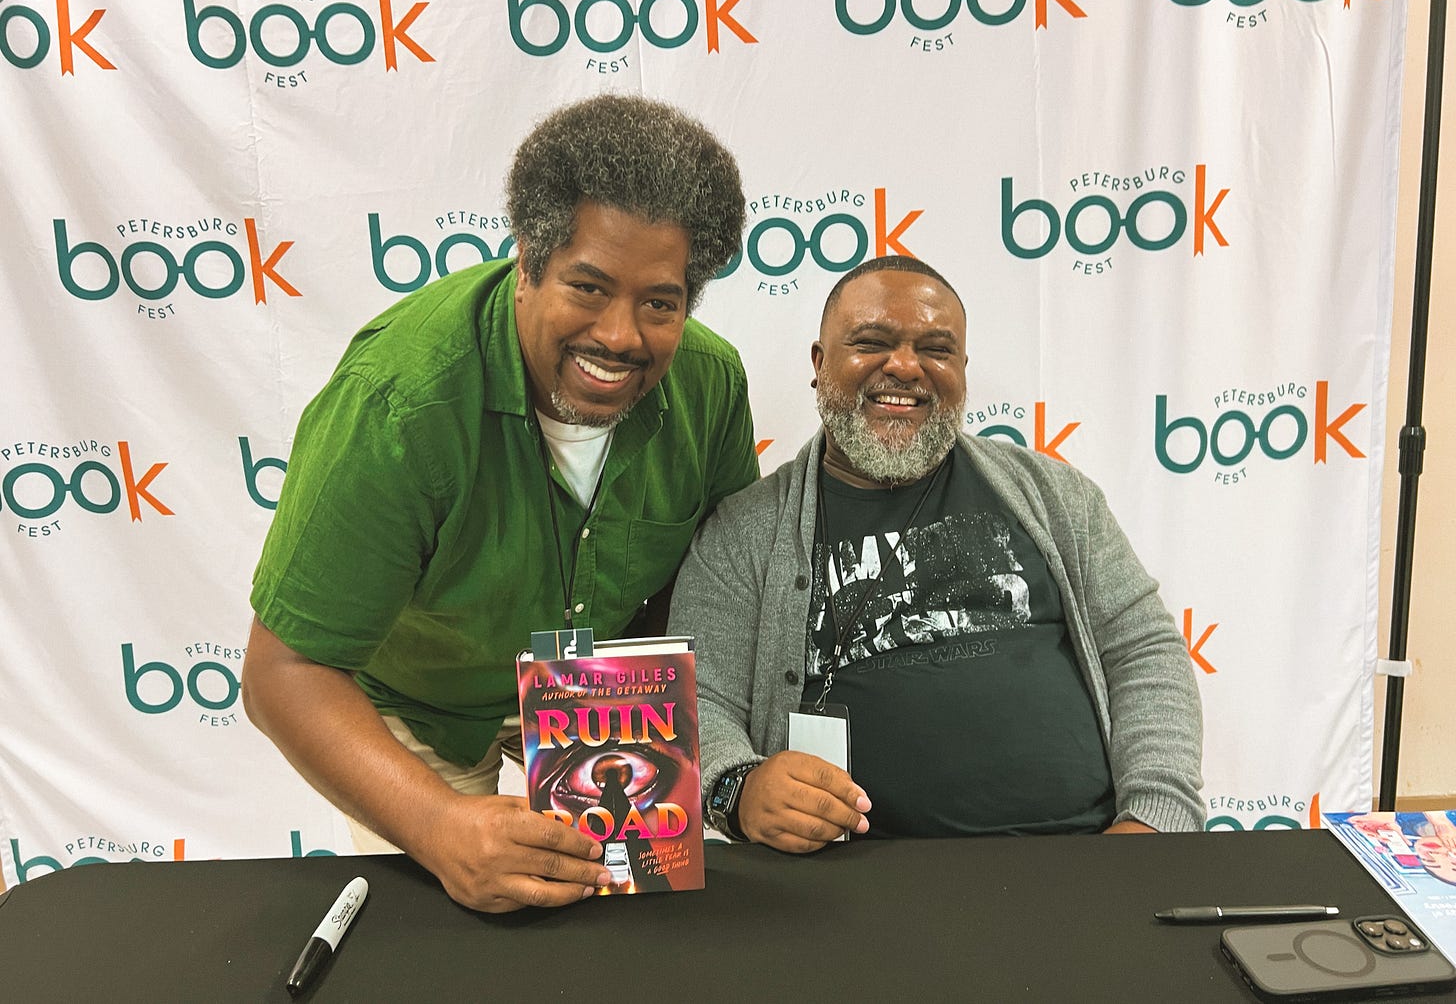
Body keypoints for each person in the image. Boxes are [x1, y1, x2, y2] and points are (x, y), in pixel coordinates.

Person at [241, 94, 758, 912]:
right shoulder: (399, 405)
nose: (622, 335)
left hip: (604, 690)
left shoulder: (713, 383)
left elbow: (719, 586)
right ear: (527, 260)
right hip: (419, 712)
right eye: (587, 287)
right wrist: (442, 825)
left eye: (659, 302)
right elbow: (282, 672)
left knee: (646, 938)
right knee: (451, 939)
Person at [670, 255, 1205, 852]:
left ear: (963, 371)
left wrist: (1155, 821)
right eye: (871, 342)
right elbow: (696, 700)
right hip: (844, 890)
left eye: (937, 349)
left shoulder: (1054, 496)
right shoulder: (744, 532)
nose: (904, 366)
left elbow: (1143, 652)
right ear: (819, 366)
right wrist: (737, 790)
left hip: (1082, 864)